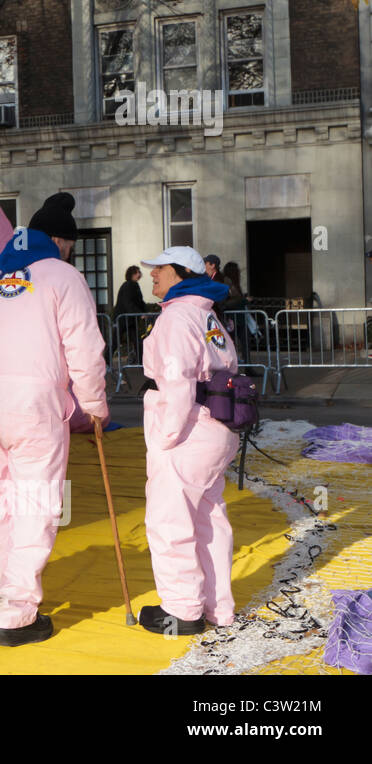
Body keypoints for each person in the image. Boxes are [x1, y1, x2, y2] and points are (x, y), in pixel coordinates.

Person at [0, 192, 109, 647]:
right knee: (34, 503)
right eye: (70, 244)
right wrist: (94, 405)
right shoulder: (63, 276)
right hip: (33, 402)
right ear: (59, 240)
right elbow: (84, 347)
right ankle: (14, 615)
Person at [138, 246, 238, 635]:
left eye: (159, 269)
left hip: (188, 429)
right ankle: (218, 607)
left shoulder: (178, 316)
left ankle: (182, 611)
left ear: (180, 272)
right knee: (209, 521)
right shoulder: (205, 313)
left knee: (169, 521)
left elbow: (177, 379)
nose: (153, 276)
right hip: (215, 427)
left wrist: (165, 437)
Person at [114, 265, 148, 363]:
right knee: (116, 341)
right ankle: (107, 361)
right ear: (132, 274)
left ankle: (140, 361)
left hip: (128, 319)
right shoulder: (129, 285)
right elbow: (128, 302)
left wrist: (144, 312)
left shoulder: (133, 285)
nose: (139, 274)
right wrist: (140, 313)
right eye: (137, 272)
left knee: (136, 341)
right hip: (123, 318)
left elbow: (139, 302)